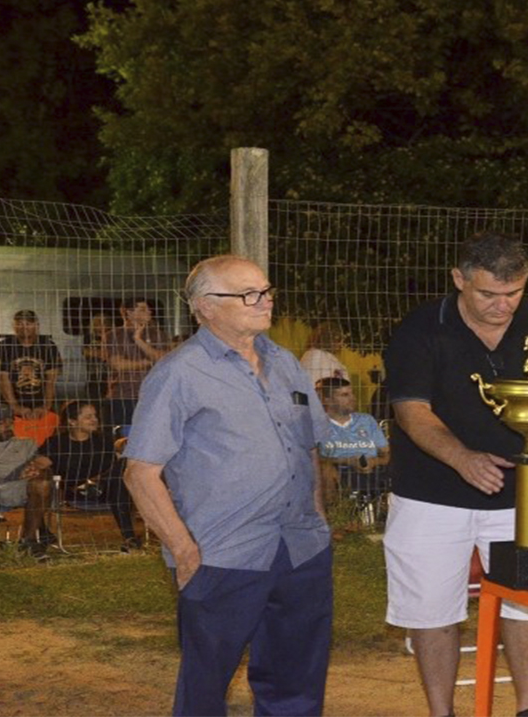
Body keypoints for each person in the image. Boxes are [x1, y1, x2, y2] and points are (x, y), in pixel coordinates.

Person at [382, 232, 528, 717]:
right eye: (488, 295)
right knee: (433, 611)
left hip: (525, 492)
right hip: (429, 495)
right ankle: (442, 712)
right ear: (458, 279)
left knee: (527, 602)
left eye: (513, 293)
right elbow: (412, 411)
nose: (503, 306)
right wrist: (462, 458)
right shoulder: (419, 329)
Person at [122, 255, 333, 716]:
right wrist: (184, 552)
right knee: (206, 684)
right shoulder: (178, 374)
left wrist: (318, 520)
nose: (264, 301)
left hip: (301, 547)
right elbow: (140, 472)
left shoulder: (286, 365)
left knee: (296, 678)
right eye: (247, 294)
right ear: (205, 307)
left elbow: (309, 446)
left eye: (265, 290)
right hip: (223, 554)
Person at [41, 400, 140, 550]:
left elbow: (113, 468)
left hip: (106, 489)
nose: (94, 420)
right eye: (88, 417)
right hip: (74, 492)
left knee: (123, 468)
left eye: (95, 416)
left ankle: (129, 538)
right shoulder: (56, 443)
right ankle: (130, 536)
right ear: (72, 421)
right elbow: (39, 464)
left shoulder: (103, 441)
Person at [0, 403, 53, 553]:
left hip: (11, 489)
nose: (7, 426)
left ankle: (28, 541)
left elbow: (41, 465)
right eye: (0, 423)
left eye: (10, 421)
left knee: (42, 481)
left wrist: (34, 470)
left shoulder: (25, 444)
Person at [316, 376, 390, 506]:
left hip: (373, 468)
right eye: (345, 395)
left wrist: (373, 462)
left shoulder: (366, 420)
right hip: (339, 469)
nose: (352, 398)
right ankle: (336, 516)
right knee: (325, 470)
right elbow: (314, 457)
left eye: (352, 393)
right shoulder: (318, 424)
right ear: (327, 399)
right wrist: (348, 461)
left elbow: (387, 454)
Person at [0, 309, 62, 442]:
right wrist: (14, 406)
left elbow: (51, 380)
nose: (24, 327)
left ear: (37, 325)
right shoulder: (4, 346)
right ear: (14, 326)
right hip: (12, 405)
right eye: (19, 323)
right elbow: (2, 378)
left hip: (41, 403)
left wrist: (45, 406)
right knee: (12, 441)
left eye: (28, 323)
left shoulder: (48, 346)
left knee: (45, 439)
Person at [104, 298, 170, 433]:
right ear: (129, 313)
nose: (149, 312)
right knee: (125, 437)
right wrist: (148, 362)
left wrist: (139, 340)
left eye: (148, 309)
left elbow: (164, 360)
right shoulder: (113, 335)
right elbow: (118, 364)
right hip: (123, 396)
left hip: (154, 394)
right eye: (142, 309)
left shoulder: (158, 334)